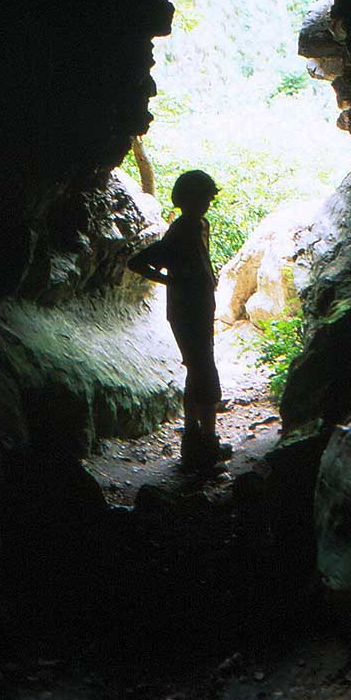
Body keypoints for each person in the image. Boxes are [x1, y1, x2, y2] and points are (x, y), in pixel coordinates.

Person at [127, 169, 231, 473]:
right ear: (187, 199)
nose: (207, 203)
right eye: (202, 197)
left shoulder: (200, 225)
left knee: (197, 371)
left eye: (207, 198)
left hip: (197, 309)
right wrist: (172, 282)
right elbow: (137, 262)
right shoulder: (181, 231)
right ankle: (205, 442)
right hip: (187, 313)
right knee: (205, 374)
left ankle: (195, 440)